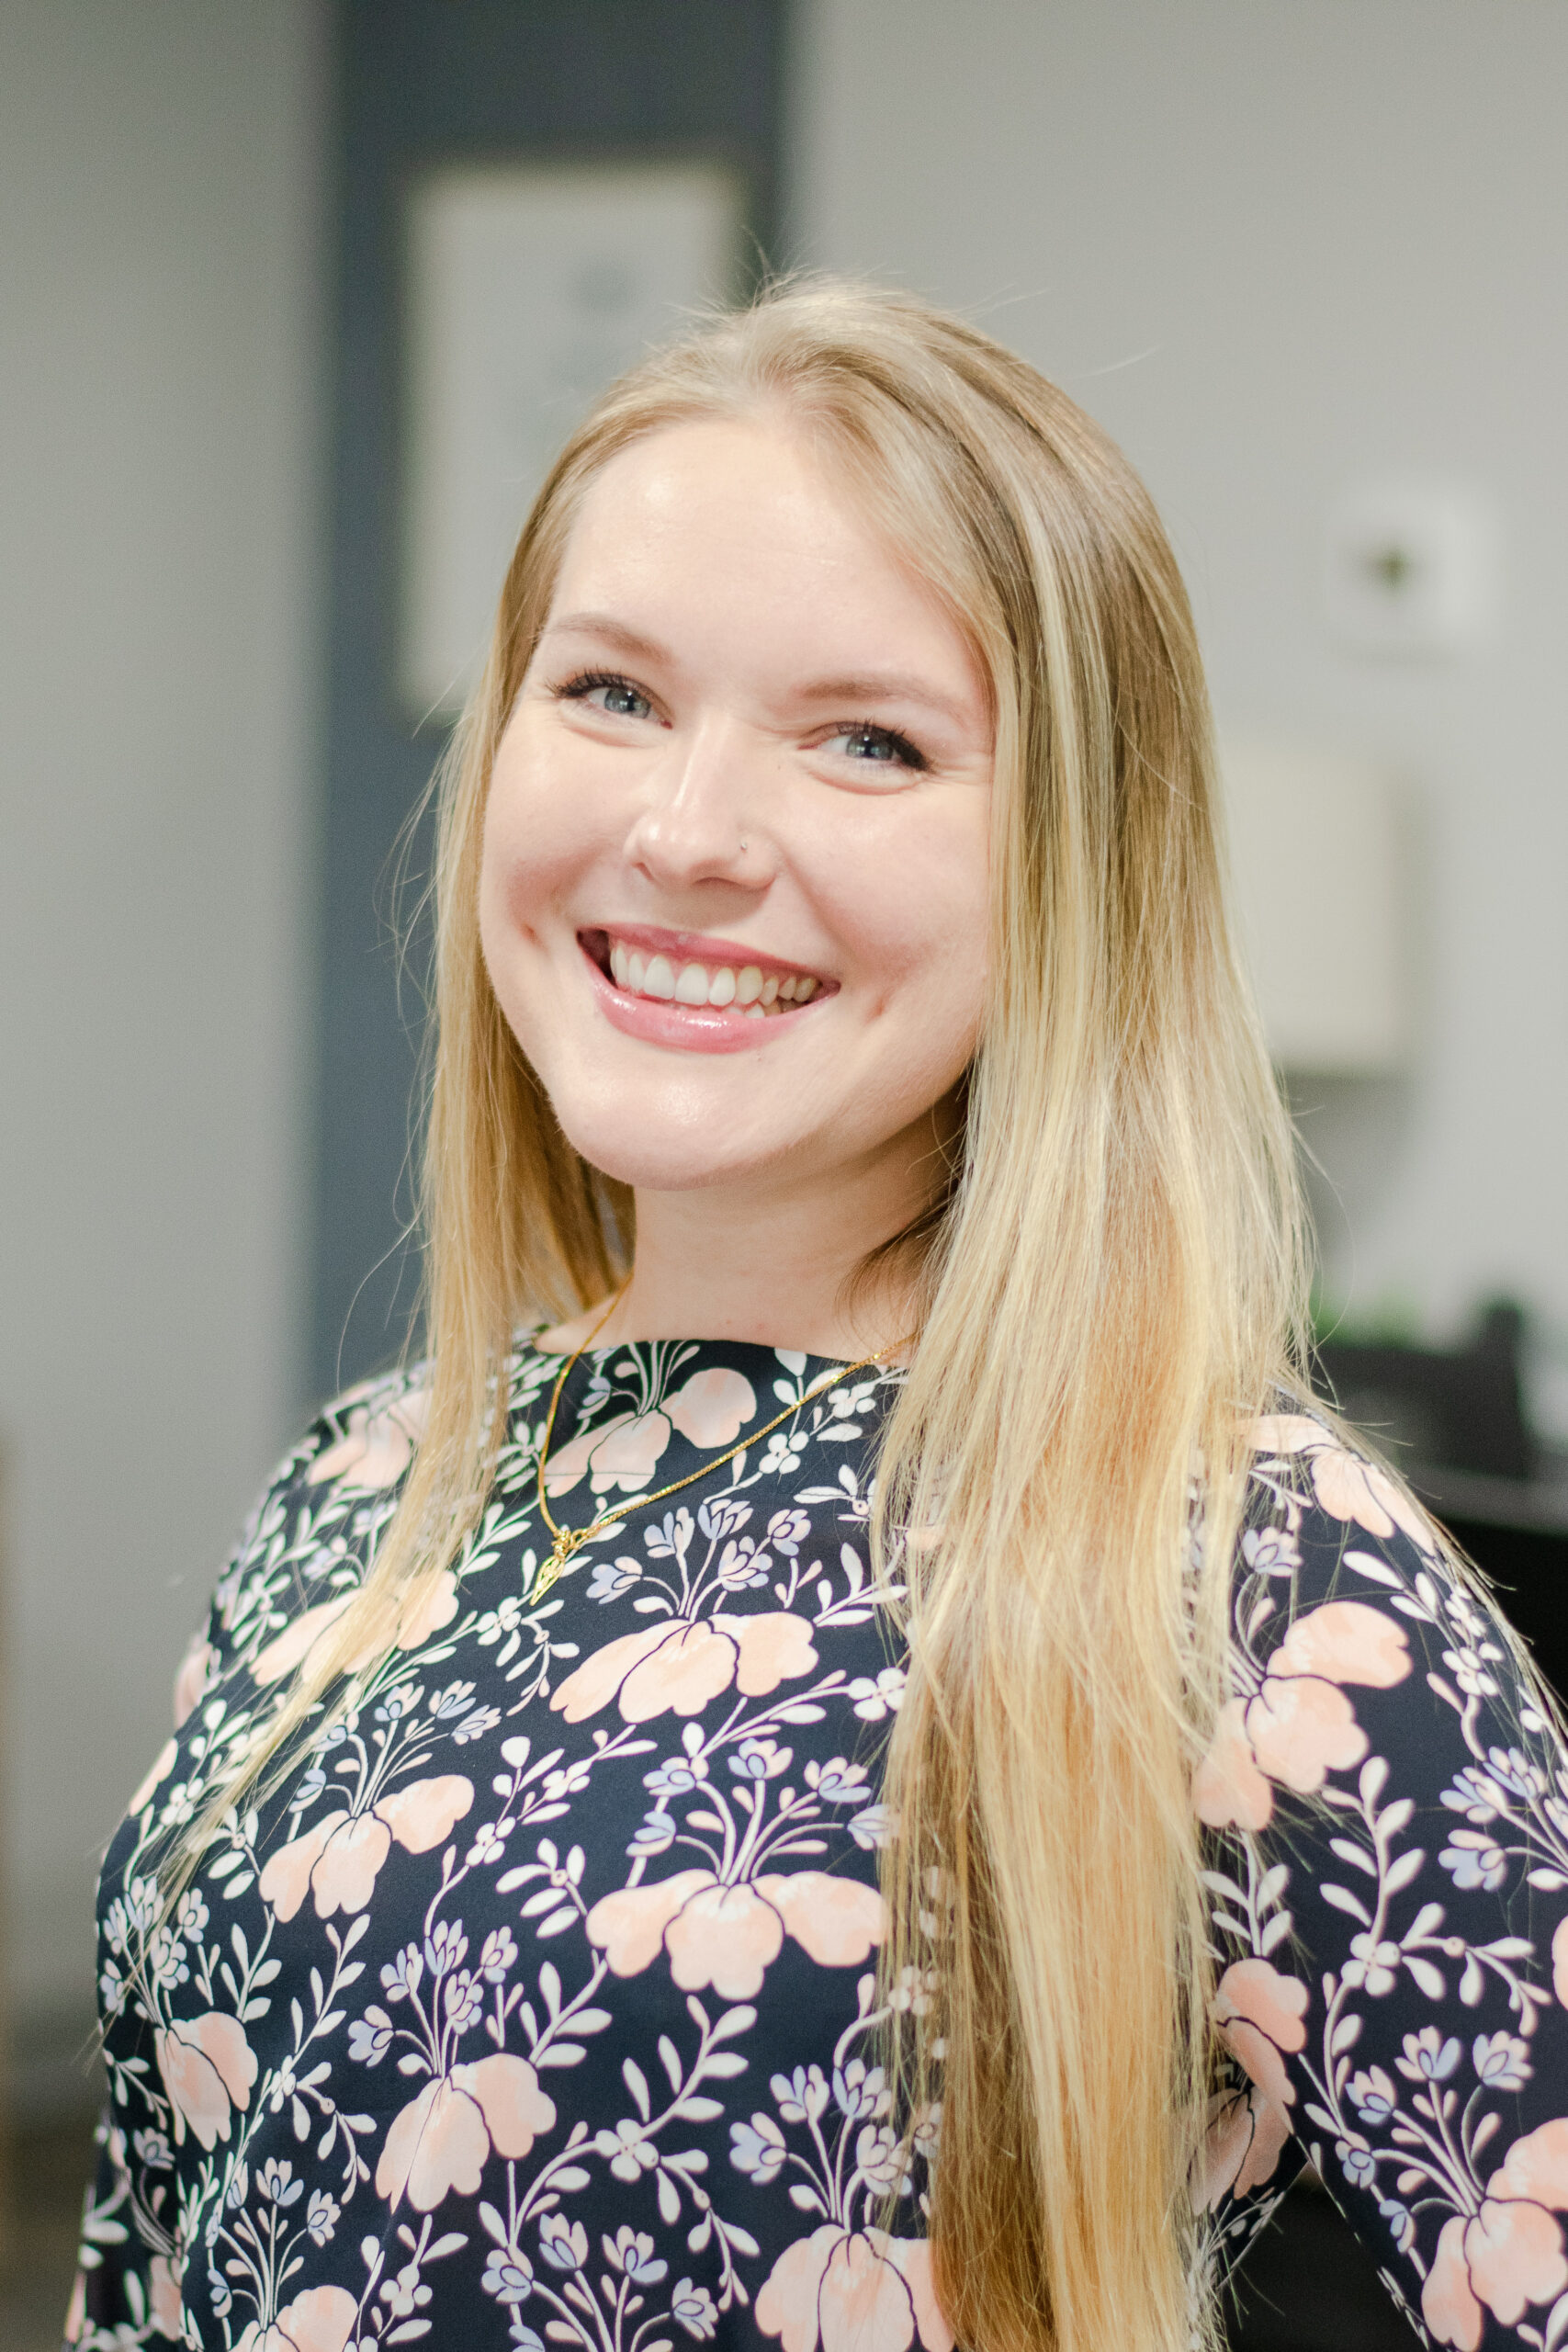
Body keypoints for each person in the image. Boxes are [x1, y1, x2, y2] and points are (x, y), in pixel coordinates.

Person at [69, 279, 1568, 2352]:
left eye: (867, 740)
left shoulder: (1250, 1573)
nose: (685, 834)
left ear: (1068, 859)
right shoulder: (358, 1489)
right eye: (606, 694)